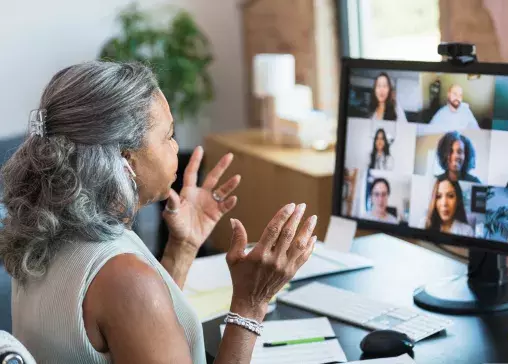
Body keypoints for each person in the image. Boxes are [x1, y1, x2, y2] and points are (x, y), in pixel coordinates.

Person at [0, 61, 318, 364]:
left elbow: (136, 326)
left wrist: (183, 247)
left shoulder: (45, 239)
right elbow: (132, 299)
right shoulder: (123, 277)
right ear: (126, 160)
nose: (175, 146)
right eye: (167, 136)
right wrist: (251, 304)